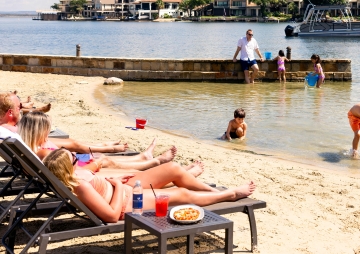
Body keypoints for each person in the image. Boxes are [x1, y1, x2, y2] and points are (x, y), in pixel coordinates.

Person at [44, 148, 256, 223]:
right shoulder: (80, 187)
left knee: (171, 168)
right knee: (180, 193)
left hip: (123, 189)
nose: (77, 158)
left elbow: (92, 172)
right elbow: (110, 215)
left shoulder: (77, 174)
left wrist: (117, 176)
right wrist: (117, 185)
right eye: (74, 158)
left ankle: (208, 189)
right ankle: (228, 194)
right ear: (67, 168)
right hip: (125, 202)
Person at [18, 111, 180, 173]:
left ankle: (143, 157)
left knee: (101, 157)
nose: (48, 131)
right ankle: (153, 161)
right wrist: (94, 164)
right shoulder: (43, 152)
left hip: (74, 162)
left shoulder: (32, 147)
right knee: (104, 160)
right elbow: (69, 171)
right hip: (77, 169)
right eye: (46, 129)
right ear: (37, 132)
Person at [0, 91, 128, 153]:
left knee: (73, 142)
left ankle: (103, 144)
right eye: (19, 108)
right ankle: (109, 148)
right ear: (10, 113)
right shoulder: (11, 129)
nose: (20, 110)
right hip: (35, 144)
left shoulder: (6, 127)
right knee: (74, 144)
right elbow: (30, 133)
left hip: (32, 142)